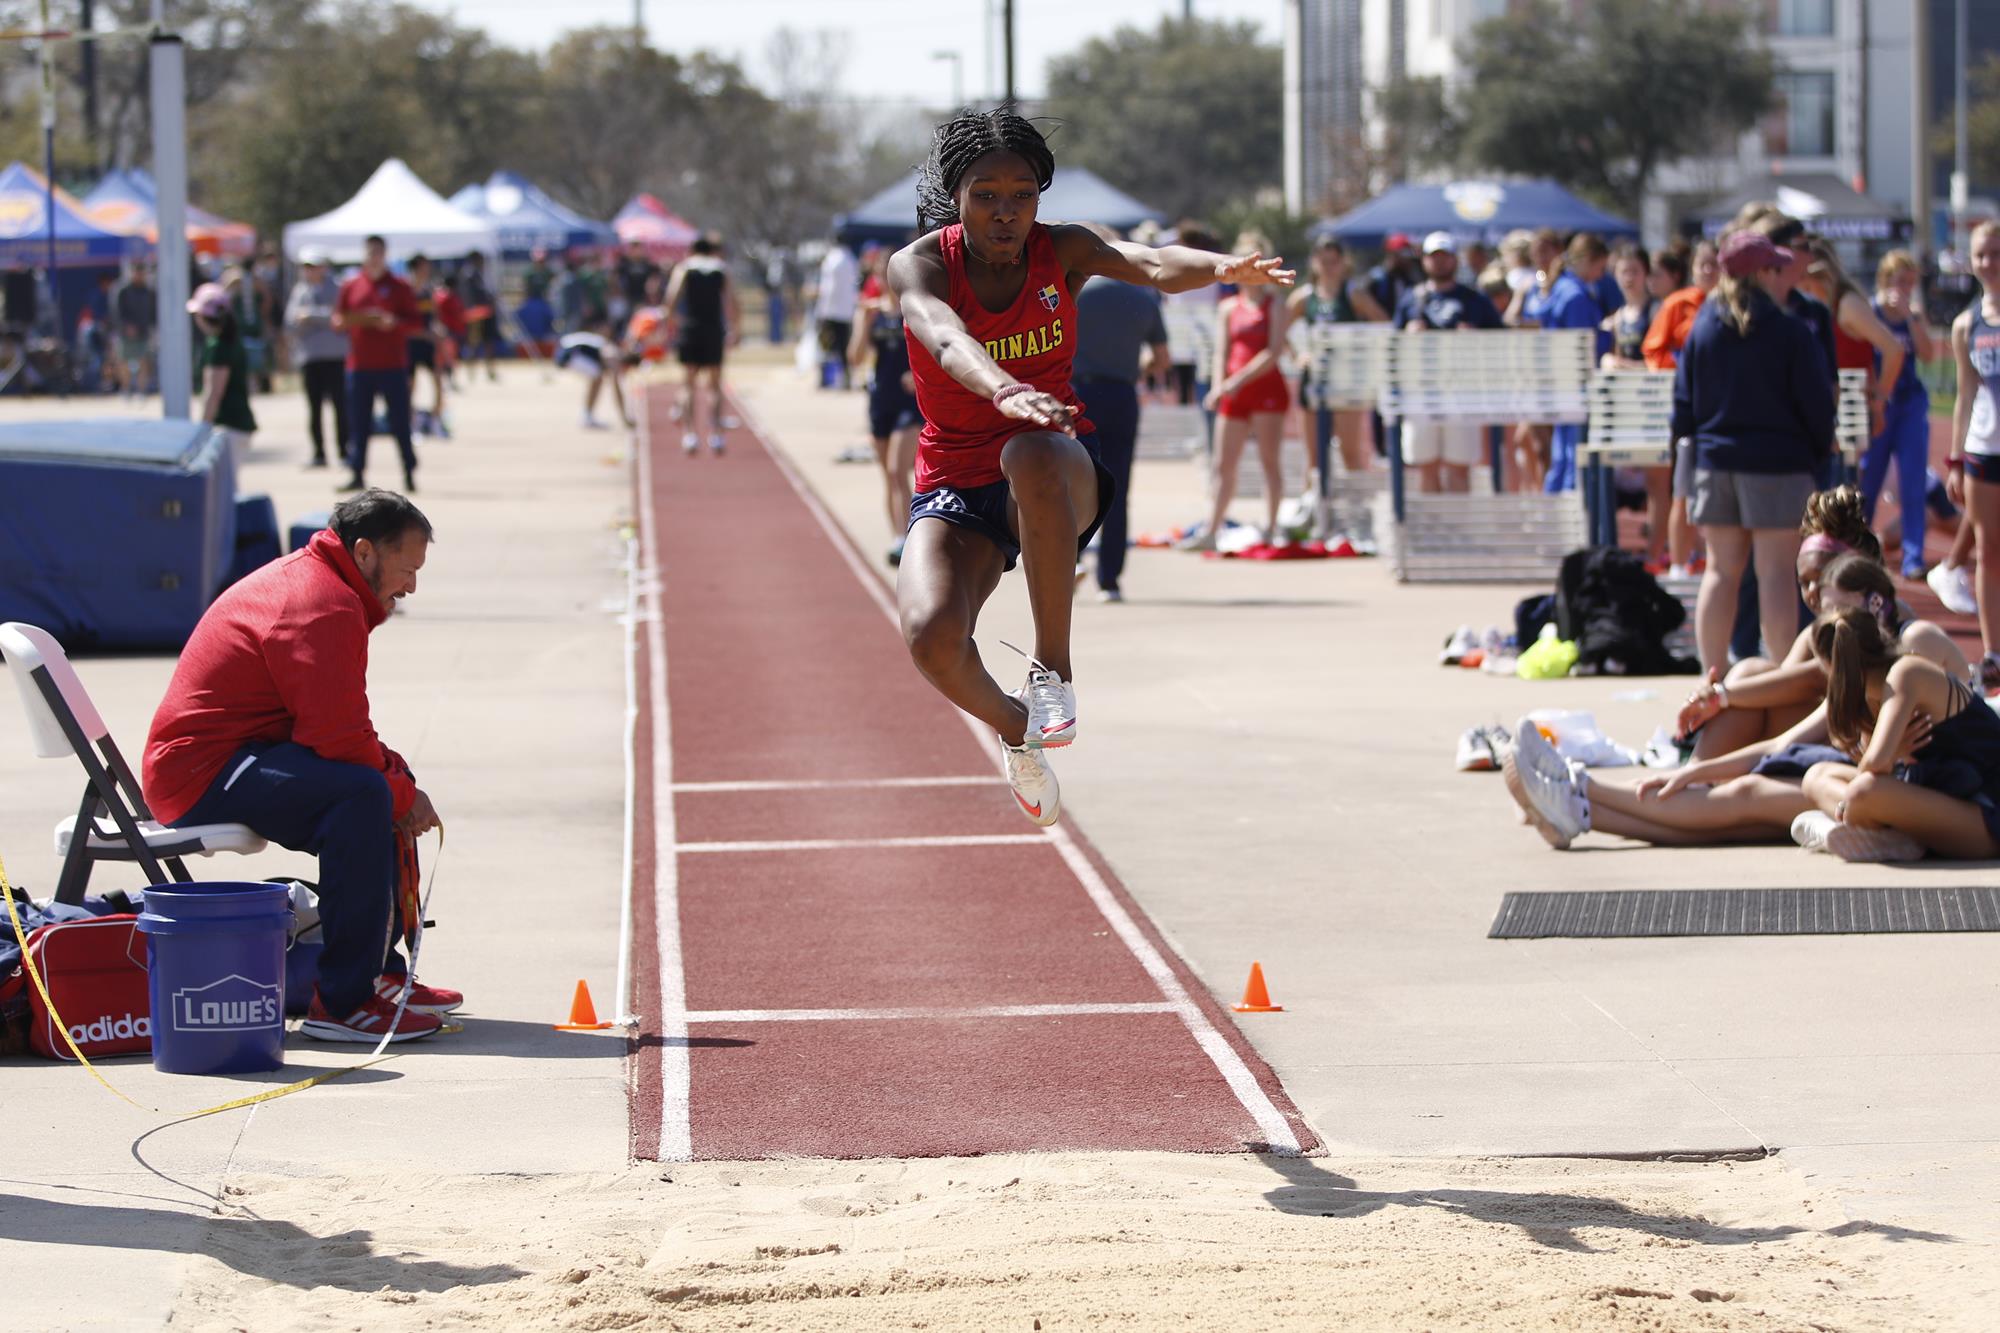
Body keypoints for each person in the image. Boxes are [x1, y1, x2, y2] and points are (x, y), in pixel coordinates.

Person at [890, 108, 1291, 826]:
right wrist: (1003, 387)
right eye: (987, 195)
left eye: (1022, 194)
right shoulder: (919, 265)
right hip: (956, 480)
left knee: (1031, 450)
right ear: (957, 195)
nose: (1006, 212)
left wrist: (1222, 268)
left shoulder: (1064, 249)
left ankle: (1053, 670)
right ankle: (1017, 731)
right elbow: (946, 340)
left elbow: (1153, 262)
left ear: (1041, 197)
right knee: (930, 635)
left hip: (1054, 468)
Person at [141, 490, 455, 1042]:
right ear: (364, 553)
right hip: (201, 772)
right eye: (406, 569)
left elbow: (337, 726)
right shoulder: (322, 603)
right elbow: (333, 736)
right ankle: (343, 1003)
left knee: (378, 785)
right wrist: (401, 794)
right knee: (363, 796)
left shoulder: (325, 584)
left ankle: (379, 977)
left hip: (240, 752)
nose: (411, 586)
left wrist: (396, 778)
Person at [1505, 552, 1966, 853]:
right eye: (1807, 588)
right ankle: (1580, 806)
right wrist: (1692, 770)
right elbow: (1786, 738)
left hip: (1933, 796)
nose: (1812, 601)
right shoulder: (1854, 663)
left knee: (1748, 797)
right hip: (1894, 788)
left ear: (1874, 603)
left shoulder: (1911, 648)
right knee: (1737, 812)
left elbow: (1888, 760)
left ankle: (1577, 794)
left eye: (1828, 601)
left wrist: (1877, 755)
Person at [1673, 230, 1835, 673]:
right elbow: (1816, 403)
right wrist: (1818, 452)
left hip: (1715, 460)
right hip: (1777, 464)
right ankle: (1782, 675)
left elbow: (1682, 403)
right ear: (1762, 272)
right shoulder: (1788, 330)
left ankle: (1711, 679)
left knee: (1720, 573)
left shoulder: (1703, 328)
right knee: (1776, 575)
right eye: (1775, 267)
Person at [1674, 486, 1881, 760]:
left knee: (1748, 679)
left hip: (1874, 757)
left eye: (1821, 577)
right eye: (1804, 582)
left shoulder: (1879, 619)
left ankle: (1693, 786)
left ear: (1854, 569)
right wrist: (1716, 695)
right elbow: (1782, 686)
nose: (1811, 591)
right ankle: (1696, 780)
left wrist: (1720, 695)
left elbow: (1812, 679)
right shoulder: (1817, 632)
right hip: (1836, 741)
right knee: (1752, 675)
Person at [1793, 604, 2000, 861]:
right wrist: (1891, 758)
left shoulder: (1906, 672)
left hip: (1987, 816)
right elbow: (1879, 766)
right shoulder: (1872, 695)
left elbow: (1876, 764)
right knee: (1816, 775)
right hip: (1942, 799)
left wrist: (1888, 760)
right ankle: (1879, 835)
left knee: (1863, 792)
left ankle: (1857, 830)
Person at [1068, 223, 1171, 600]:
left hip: (1077, 391)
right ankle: (1109, 578)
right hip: (1122, 393)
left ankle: (1070, 561)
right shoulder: (1144, 298)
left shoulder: (1075, 289)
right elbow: (1162, 359)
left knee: (1072, 480)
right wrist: (1132, 366)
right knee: (1119, 486)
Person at [1186, 229, 1294, 550]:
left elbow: (1273, 351)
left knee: (1269, 461)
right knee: (1223, 464)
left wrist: (1235, 381)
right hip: (1234, 393)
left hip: (1265, 390)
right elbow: (1222, 350)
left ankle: (1272, 526)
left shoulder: (1275, 304)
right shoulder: (1229, 307)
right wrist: (1220, 385)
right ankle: (1212, 528)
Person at [1390, 231, 1503, 495]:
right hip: (1421, 391)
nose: (1440, 263)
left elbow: (1499, 341)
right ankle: (1432, 532)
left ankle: (1459, 532)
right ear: (1425, 261)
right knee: (1425, 465)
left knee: (1459, 466)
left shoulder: (1475, 300)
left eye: (1445, 256)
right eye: (1434, 257)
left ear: (1455, 260)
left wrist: (1474, 340)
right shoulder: (1411, 298)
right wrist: (1409, 337)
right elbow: (1393, 346)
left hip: (1460, 392)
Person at [1862, 248, 1940, 580]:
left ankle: (1913, 555)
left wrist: (1911, 317)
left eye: (1910, 282)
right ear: (1885, 280)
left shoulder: (1914, 314)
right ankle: (1860, 548)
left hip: (1909, 405)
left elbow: (1928, 354)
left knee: (1912, 482)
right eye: (1900, 281)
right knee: (1868, 480)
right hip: (1878, 404)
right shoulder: (1869, 310)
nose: (1905, 288)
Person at [1645, 239, 1721, 579]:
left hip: (1723, 409)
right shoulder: (1678, 304)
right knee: (1682, 487)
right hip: (1690, 409)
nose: (1708, 271)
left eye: (1714, 264)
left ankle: (1709, 556)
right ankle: (1678, 561)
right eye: (1702, 265)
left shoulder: (1734, 305)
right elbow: (1654, 352)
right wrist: (1684, 369)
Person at [1946, 220, 2000, 689]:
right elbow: (1964, 395)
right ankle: (1992, 652)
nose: (1990, 264)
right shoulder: (1967, 324)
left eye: (1997, 254)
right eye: (1982, 255)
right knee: (1987, 551)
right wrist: (1955, 459)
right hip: (1985, 449)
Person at [847, 262, 927, 567]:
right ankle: (898, 535)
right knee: (889, 477)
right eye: (881, 274)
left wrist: (917, 375)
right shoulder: (872, 313)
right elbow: (855, 357)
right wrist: (862, 321)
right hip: (881, 400)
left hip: (910, 403)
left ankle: (908, 538)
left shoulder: (915, 310)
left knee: (897, 470)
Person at [1289, 235, 1388, 474]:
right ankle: (1314, 507)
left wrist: (1363, 352)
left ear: (1343, 263)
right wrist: (1299, 354)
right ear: (1314, 263)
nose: (1328, 267)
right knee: (1314, 460)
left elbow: (1383, 324)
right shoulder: (1304, 297)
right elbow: (1279, 330)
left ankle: (1354, 508)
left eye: (1333, 261)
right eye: (1323, 261)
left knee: (1351, 456)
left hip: (1346, 382)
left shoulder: (1354, 295)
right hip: (1314, 381)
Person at [333, 234, 423, 493]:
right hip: (359, 367)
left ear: (385, 255)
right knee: (358, 422)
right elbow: (338, 318)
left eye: (378, 253)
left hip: (392, 365)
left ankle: (408, 469)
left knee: (399, 421)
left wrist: (393, 323)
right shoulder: (351, 286)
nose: (374, 258)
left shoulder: (399, 286)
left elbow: (415, 322)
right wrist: (345, 322)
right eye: (370, 253)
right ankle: (357, 471)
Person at [661, 233, 739, 455]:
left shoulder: (685, 268)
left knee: (688, 384)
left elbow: (671, 299)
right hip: (713, 330)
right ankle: (716, 435)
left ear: (692, 250)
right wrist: (735, 329)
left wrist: (670, 325)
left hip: (691, 329)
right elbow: (732, 301)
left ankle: (689, 435)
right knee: (714, 385)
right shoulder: (721, 269)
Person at [286, 250, 349, 470]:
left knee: (340, 406)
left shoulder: (339, 288)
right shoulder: (300, 291)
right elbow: (291, 321)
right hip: (310, 357)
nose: (310, 271)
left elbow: (340, 318)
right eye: (307, 267)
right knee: (314, 408)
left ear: (324, 267)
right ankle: (319, 452)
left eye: (314, 266)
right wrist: (316, 318)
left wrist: (312, 316)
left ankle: (344, 451)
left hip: (335, 356)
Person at [188, 282, 256, 465]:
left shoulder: (217, 346)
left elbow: (213, 392)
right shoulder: (233, 340)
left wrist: (202, 431)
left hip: (227, 426)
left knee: (222, 490)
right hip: (238, 425)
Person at [555, 316, 633, 430]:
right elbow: (616, 387)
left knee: (597, 377)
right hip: (569, 354)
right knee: (597, 377)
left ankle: (587, 415)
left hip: (565, 351)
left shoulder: (602, 343)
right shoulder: (612, 352)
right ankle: (587, 416)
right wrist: (624, 418)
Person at [403, 254, 448, 435]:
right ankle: (412, 423)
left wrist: (438, 330)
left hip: (428, 343)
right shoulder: (406, 291)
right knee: (410, 385)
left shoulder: (429, 291)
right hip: (411, 343)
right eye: (423, 267)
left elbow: (434, 317)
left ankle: (436, 420)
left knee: (438, 380)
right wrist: (423, 333)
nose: (426, 270)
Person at [814, 238, 861, 389]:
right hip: (845, 310)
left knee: (828, 346)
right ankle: (842, 376)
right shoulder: (850, 259)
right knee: (841, 346)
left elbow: (829, 288)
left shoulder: (833, 259)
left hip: (832, 311)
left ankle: (830, 378)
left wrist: (822, 310)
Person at [454, 252, 500, 382]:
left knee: (487, 342)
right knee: (473, 343)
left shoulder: (481, 274)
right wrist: (473, 309)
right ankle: (471, 371)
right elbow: (467, 296)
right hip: (475, 314)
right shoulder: (469, 274)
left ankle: (489, 370)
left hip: (485, 312)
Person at [112, 264, 156, 398]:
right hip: (125, 332)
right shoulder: (123, 290)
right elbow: (117, 312)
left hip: (144, 332)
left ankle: (141, 391)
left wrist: (150, 327)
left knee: (144, 361)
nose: (139, 275)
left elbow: (153, 312)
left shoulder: (149, 291)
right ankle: (126, 389)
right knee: (123, 362)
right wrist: (126, 326)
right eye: (137, 272)